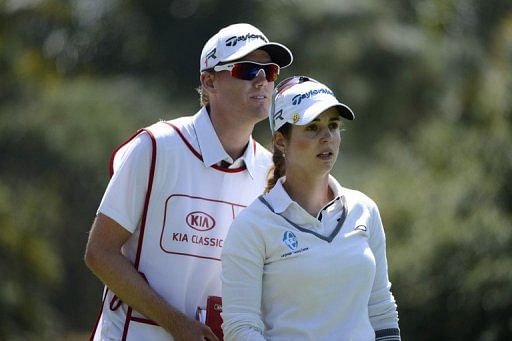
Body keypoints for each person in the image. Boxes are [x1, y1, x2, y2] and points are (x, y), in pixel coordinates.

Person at [84, 23, 293, 341]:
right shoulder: (155, 146)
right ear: (209, 81)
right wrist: (175, 323)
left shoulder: (271, 171)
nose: (262, 80)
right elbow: (100, 252)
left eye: (270, 71)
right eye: (248, 70)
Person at [221, 76, 401, 340]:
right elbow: (240, 329)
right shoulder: (251, 227)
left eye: (333, 126)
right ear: (281, 141)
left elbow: (381, 309)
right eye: (313, 128)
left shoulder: (365, 210)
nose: (327, 137)